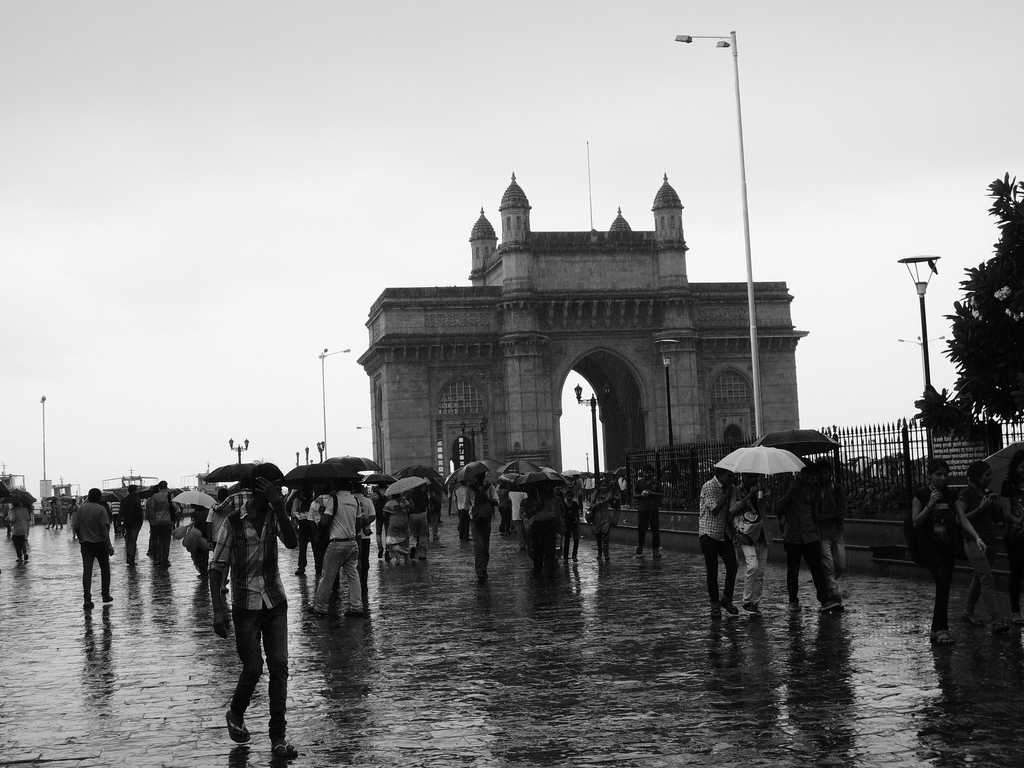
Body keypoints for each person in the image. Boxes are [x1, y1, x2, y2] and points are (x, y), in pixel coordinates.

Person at [208, 477, 298, 759]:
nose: (279, 493)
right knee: (253, 667)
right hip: (246, 605)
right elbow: (217, 567)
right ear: (259, 490)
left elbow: (293, 542)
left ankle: (278, 738)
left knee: (279, 667)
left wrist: (280, 508)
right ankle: (236, 712)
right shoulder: (233, 522)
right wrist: (219, 609)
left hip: (275, 602)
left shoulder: (275, 516)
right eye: (275, 489)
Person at [911, 458, 984, 645]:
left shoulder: (951, 495)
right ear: (929, 476)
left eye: (945, 475)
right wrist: (930, 504)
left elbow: (961, 518)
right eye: (938, 474)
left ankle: (937, 630)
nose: (942, 478)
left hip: (947, 546)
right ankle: (942, 629)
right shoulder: (921, 494)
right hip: (929, 547)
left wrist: (976, 537)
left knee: (944, 585)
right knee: (942, 581)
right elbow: (916, 521)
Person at [777, 467, 840, 613]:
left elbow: (817, 510)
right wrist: (790, 493)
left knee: (816, 568)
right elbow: (778, 507)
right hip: (793, 536)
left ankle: (824, 599)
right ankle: (793, 600)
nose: (811, 478)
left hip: (810, 535)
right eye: (808, 475)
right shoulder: (790, 486)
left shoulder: (814, 489)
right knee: (793, 570)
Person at [956, 460, 1009, 633]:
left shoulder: (987, 493)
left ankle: (968, 611)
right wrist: (980, 508)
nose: (990, 478)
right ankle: (995, 619)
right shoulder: (966, 494)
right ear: (977, 477)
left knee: (979, 577)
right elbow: (960, 519)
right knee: (986, 577)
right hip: (973, 541)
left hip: (989, 541)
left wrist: (994, 505)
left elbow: (997, 517)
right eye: (986, 475)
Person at [312, 479, 372, 617]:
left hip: (337, 543)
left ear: (336, 486)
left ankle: (320, 607)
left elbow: (325, 522)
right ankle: (357, 607)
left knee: (327, 576)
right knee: (353, 575)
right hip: (352, 542)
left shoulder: (334, 499)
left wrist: (322, 513)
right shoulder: (355, 500)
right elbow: (358, 523)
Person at [698, 468, 740, 616]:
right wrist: (726, 495)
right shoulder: (709, 486)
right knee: (712, 570)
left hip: (723, 533)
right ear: (720, 475)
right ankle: (714, 603)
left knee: (733, 565)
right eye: (729, 476)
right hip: (708, 533)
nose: (731, 479)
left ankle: (727, 598)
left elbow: (730, 511)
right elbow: (714, 508)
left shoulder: (731, 488)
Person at [730, 474, 769, 615]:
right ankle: (747, 600)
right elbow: (732, 510)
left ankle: (755, 603)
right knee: (753, 566)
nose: (751, 479)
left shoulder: (762, 490)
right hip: (745, 533)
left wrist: (762, 494)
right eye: (749, 476)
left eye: (753, 476)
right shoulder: (737, 491)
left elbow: (765, 510)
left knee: (761, 572)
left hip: (761, 533)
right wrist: (749, 496)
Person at [75, 488, 114, 610]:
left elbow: (76, 526)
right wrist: (109, 545)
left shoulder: (81, 509)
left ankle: (87, 599)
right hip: (100, 543)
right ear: (99, 498)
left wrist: (81, 538)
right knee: (105, 569)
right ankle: (105, 595)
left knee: (87, 571)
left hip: (85, 544)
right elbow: (104, 528)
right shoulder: (101, 509)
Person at [815, 460, 847, 601]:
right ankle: (834, 593)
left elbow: (841, 509)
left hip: (836, 532)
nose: (824, 475)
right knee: (828, 564)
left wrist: (828, 517)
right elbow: (815, 512)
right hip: (822, 533)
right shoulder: (816, 490)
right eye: (821, 473)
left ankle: (831, 586)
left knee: (840, 564)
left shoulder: (837, 489)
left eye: (826, 472)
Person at [1000, 451, 1024, 624]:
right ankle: (1015, 611)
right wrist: (1018, 520)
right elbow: (1006, 511)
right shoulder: (1008, 486)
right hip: (1015, 535)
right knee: (1016, 571)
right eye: (1022, 466)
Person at [522, 481, 562, 576]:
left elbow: (558, 513)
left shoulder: (555, 499)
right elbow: (528, 514)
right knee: (537, 549)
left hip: (550, 525)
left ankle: (549, 570)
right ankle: (538, 569)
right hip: (537, 525)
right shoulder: (531, 500)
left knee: (550, 550)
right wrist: (536, 508)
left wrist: (560, 525)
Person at [468, 475, 496, 582]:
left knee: (484, 546)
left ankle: (483, 568)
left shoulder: (489, 487)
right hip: (475, 519)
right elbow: (467, 504)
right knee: (480, 545)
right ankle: (480, 570)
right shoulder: (470, 489)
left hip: (485, 518)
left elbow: (496, 501)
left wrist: (485, 499)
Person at [146, 480, 178, 569]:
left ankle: (158, 559)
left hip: (157, 522)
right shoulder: (170, 495)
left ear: (159, 487)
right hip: (167, 522)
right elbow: (176, 508)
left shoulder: (154, 497)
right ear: (166, 486)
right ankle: (165, 559)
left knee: (158, 541)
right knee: (166, 542)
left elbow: (151, 510)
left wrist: (152, 522)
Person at [586, 479, 620, 562]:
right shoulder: (595, 494)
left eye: (605, 485)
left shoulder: (609, 494)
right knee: (598, 537)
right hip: (596, 518)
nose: (603, 487)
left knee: (606, 537)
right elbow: (591, 505)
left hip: (606, 517)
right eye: (602, 485)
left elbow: (615, 502)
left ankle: (606, 554)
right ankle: (599, 553)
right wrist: (596, 504)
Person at [288, 489, 318, 578]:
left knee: (305, 547)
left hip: (307, 526)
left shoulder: (311, 500)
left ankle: (303, 567)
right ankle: (314, 567)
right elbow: (293, 513)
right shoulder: (302, 500)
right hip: (307, 526)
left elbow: (293, 513)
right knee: (308, 547)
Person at [634, 466, 662, 558]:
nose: (647, 474)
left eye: (649, 472)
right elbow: (634, 495)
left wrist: (651, 493)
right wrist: (641, 495)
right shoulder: (639, 482)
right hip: (643, 509)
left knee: (655, 530)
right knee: (641, 530)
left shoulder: (655, 482)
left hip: (653, 509)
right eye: (645, 472)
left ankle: (656, 550)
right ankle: (640, 548)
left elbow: (661, 493)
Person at [182, 506, 211, 577]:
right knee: (205, 554)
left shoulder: (195, 514)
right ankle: (204, 570)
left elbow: (193, 525)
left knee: (198, 554)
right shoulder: (208, 513)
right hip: (205, 535)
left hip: (197, 536)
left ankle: (202, 571)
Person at [120, 486, 144, 567]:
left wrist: (121, 524)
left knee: (128, 541)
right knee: (133, 541)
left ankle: (129, 558)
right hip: (135, 523)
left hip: (127, 523)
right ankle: (131, 559)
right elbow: (139, 512)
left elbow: (121, 512)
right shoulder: (136, 499)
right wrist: (141, 522)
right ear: (134, 491)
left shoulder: (124, 500)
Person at [408, 486, 430, 561]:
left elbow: (408, 506)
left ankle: (412, 546)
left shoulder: (409, 494)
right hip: (422, 514)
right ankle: (422, 554)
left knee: (413, 533)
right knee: (422, 535)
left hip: (412, 515)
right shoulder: (424, 494)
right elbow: (427, 504)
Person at [561, 486, 581, 562]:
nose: (569, 498)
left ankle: (574, 555)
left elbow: (577, 514)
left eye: (571, 496)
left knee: (576, 540)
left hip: (574, 524)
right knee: (567, 541)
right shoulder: (563, 504)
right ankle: (565, 557)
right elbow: (562, 514)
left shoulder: (575, 504)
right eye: (568, 496)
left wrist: (577, 521)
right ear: (566, 496)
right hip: (566, 524)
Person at [11, 498, 32, 563]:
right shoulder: (25, 510)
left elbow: (13, 520)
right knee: (22, 541)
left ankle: (20, 557)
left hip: (17, 529)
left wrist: (10, 520)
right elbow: (28, 519)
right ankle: (25, 553)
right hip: (24, 528)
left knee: (16, 543)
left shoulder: (14, 510)